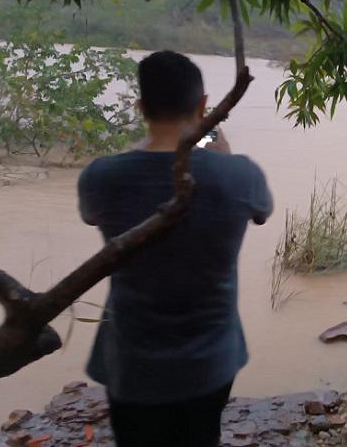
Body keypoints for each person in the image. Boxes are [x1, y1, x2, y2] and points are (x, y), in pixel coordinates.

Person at [77, 50, 272, 446]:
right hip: (210, 359)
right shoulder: (240, 176)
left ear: (141, 107)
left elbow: (93, 215)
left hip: (131, 363)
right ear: (202, 106)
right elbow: (260, 212)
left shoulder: (100, 177)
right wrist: (211, 133)